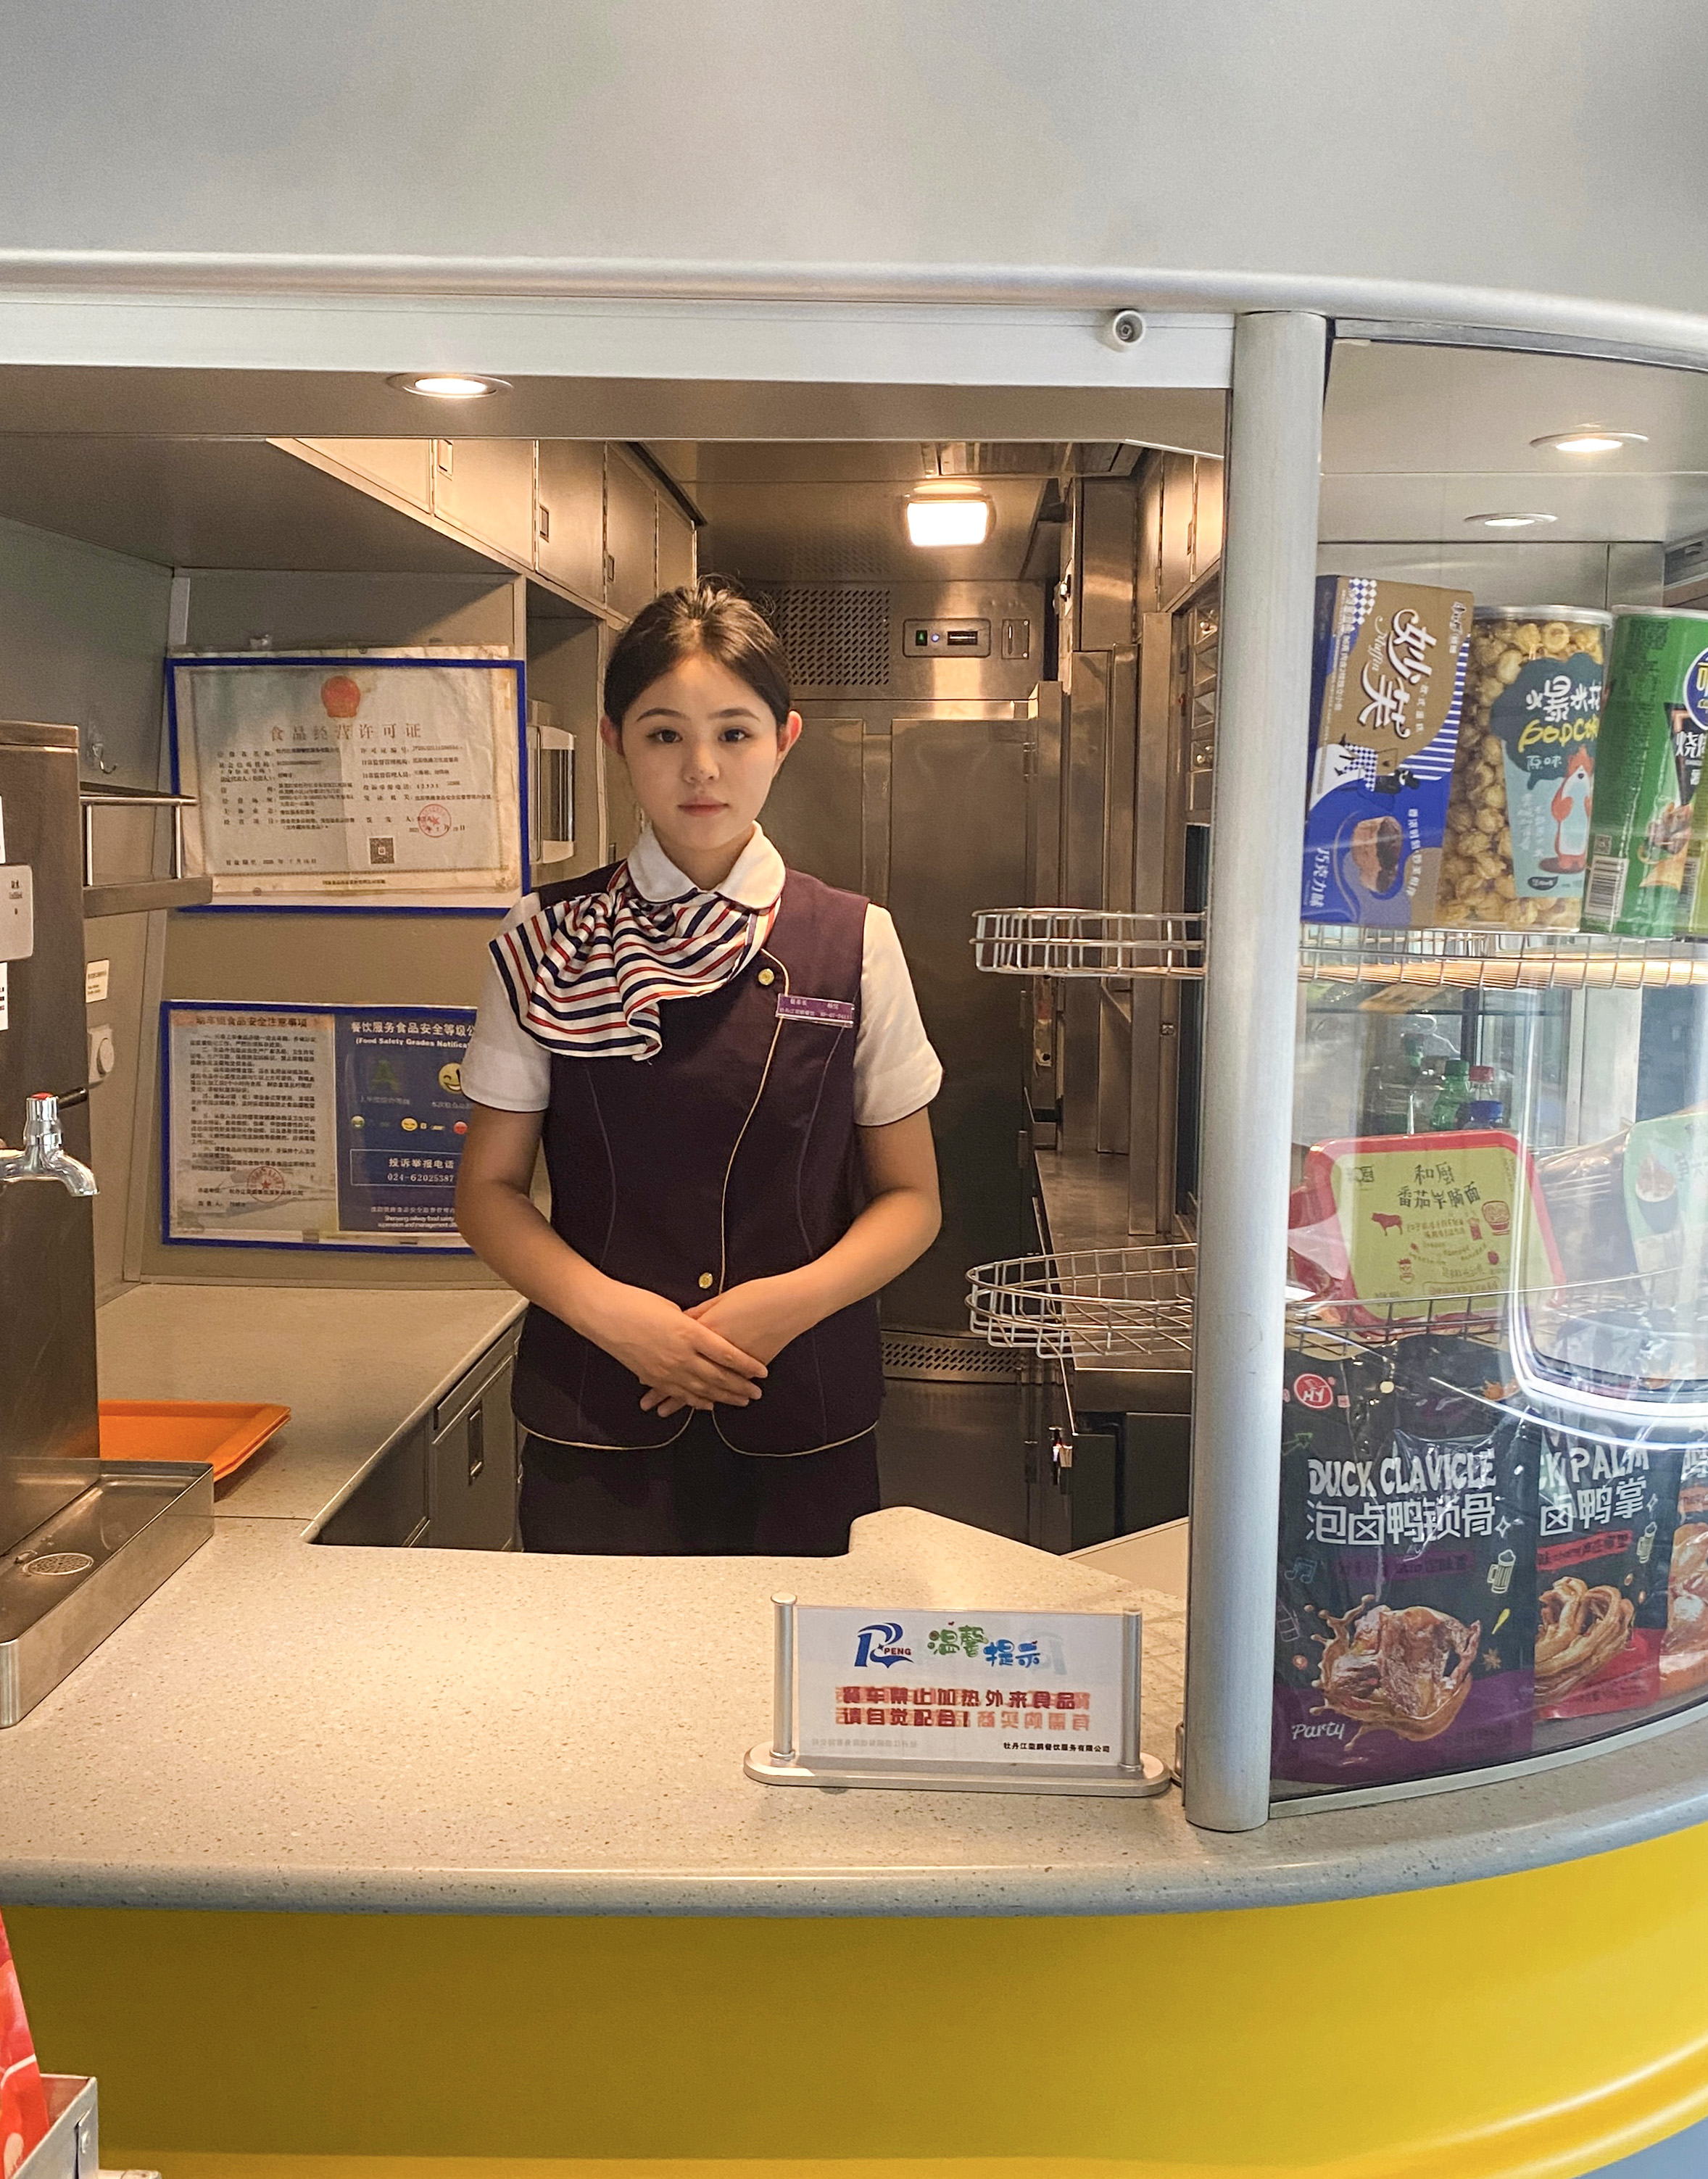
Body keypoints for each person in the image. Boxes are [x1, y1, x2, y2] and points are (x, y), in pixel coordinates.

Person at [455, 580, 942, 1555]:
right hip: (598, 1407)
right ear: (615, 740)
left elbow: (912, 1198)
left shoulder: (855, 940)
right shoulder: (547, 936)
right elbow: (488, 1191)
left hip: (800, 1403)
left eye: (734, 732)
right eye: (664, 734)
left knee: (796, 1654)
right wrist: (618, 1318)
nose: (702, 767)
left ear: (784, 739)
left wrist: (784, 1305)